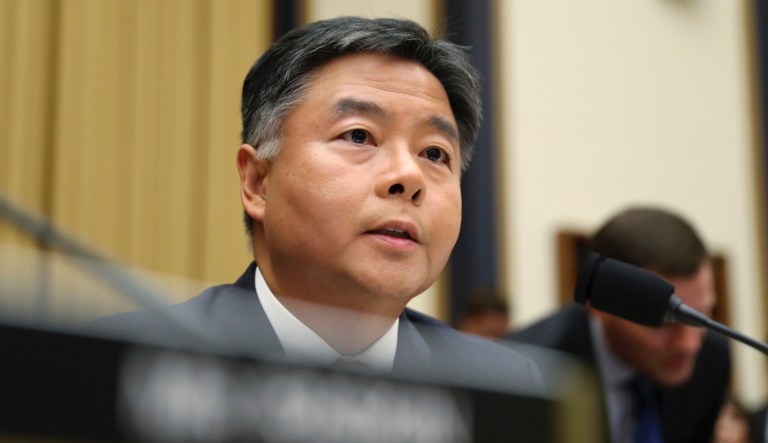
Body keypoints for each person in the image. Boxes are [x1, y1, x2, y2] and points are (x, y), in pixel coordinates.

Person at [90, 16, 540, 389]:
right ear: (258, 182)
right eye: (358, 135)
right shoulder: (129, 367)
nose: (409, 177)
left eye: (435, 154)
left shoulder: (503, 388)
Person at [507, 206, 731, 443]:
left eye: (700, 314)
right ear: (597, 305)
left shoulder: (711, 359)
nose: (689, 345)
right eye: (663, 322)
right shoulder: (523, 376)